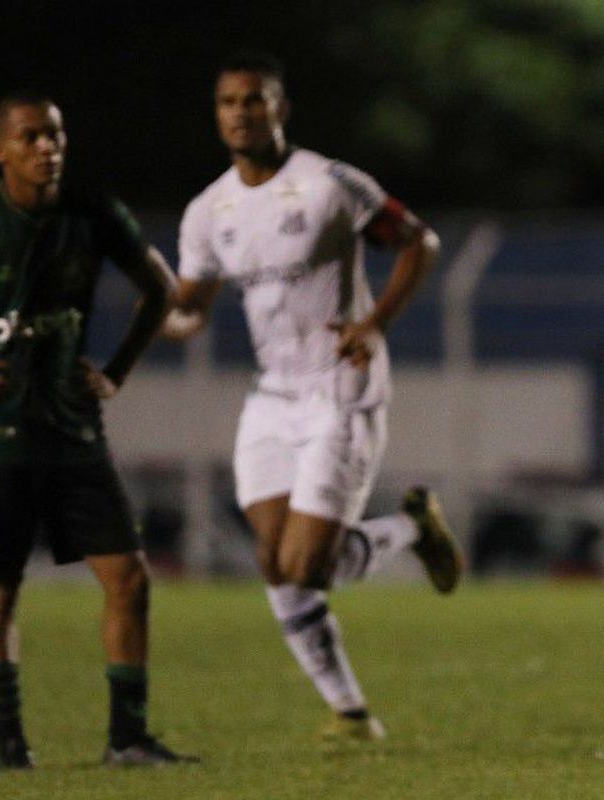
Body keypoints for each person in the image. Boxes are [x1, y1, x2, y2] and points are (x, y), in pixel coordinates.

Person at [165, 52, 463, 742]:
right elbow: (191, 309)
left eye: (254, 99)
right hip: (270, 398)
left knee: (306, 565)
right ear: (218, 116)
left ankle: (415, 528)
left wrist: (374, 322)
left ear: (280, 108)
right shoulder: (209, 210)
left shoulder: (329, 183)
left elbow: (420, 242)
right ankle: (352, 714)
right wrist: (162, 317)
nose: (241, 112)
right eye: (228, 103)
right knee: (278, 566)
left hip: (341, 391)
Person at [0, 94, 191, 767]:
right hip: (2, 437)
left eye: (55, 136)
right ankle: (11, 751)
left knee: (130, 579)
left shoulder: (90, 212)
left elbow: (161, 288)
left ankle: (128, 738)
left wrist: (116, 371)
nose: (46, 148)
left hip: (75, 433)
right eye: (29, 137)